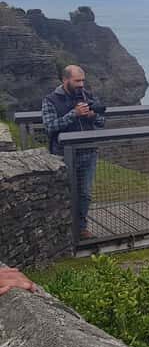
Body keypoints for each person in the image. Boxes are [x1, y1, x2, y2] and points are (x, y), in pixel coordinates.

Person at [42, 65, 106, 240]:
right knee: (66, 193)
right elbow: (49, 128)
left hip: (88, 151)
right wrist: (73, 114)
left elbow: (102, 121)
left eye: (83, 80)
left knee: (85, 193)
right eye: (77, 81)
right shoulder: (50, 100)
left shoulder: (87, 95)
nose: (81, 84)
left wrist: (92, 115)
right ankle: (64, 230)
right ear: (65, 80)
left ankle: (81, 228)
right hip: (63, 154)